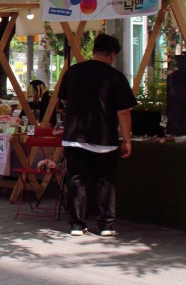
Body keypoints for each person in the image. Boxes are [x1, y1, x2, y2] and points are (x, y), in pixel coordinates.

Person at [58, 33, 136, 237]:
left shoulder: (73, 72)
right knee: (105, 182)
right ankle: (106, 225)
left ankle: (76, 224)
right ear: (112, 54)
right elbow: (124, 112)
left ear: (93, 51)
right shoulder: (115, 77)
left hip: (74, 136)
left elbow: (64, 101)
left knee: (76, 180)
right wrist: (127, 139)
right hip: (104, 138)